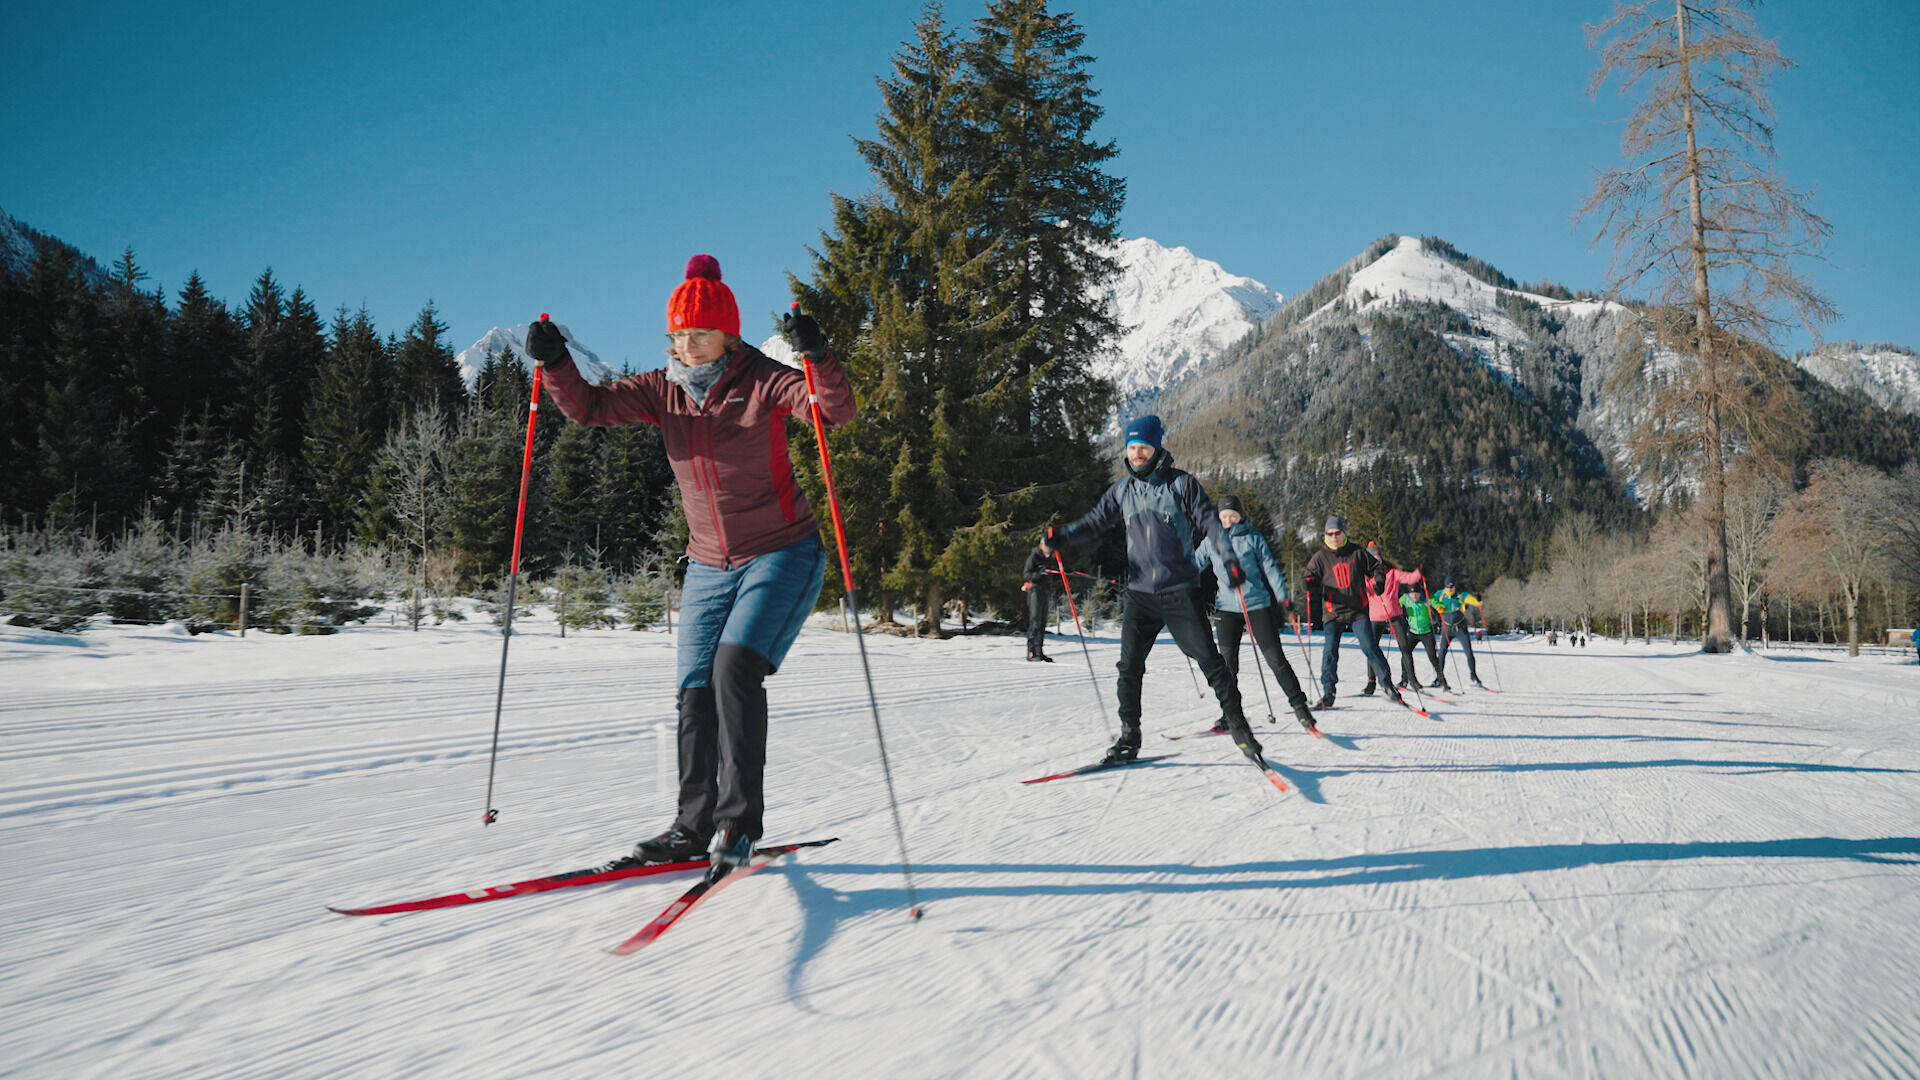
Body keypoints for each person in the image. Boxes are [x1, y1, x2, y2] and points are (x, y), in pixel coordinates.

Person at [528, 255, 856, 878]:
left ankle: (737, 825)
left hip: (782, 550)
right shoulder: (662, 389)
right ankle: (692, 826)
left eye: (701, 334)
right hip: (707, 562)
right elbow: (589, 407)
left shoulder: (763, 379)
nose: (688, 345)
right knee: (694, 691)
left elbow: (832, 410)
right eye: (678, 335)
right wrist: (556, 365)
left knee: (735, 670)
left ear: (728, 334)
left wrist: (818, 356)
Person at [1038, 415, 1262, 764]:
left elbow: (1210, 524)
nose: (1137, 453)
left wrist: (1229, 559)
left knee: (1210, 661)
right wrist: (1062, 537)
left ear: (1157, 447)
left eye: (1143, 446)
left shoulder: (1182, 485)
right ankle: (1130, 738)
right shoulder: (1122, 491)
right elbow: (1094, 523)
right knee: (1129, 666)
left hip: (1180, 592)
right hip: (1140, 594)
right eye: (1132, 447)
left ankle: (1239, 727)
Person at [1193, 495, 1317, 731]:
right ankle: (1229, 714)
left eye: (1233, 516)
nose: (1228, 520)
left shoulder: (1253, 538)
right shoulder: (1211, 541)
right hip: (1226, 609)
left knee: (1276, 660)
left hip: (1256, 606)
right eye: (1224, 516)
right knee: (1227, 666)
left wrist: (1283, 598)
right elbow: (1194, 565)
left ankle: (1300, 708)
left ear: (1240, 516)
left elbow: (1271, 569)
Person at [1303, 517, 1402, 708]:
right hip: (1333, 612)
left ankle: (1387, 685)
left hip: (1358, 611)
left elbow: (1376, 568)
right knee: (1330, 650)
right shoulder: (1320, 557)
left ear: (1344, 533)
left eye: (1337, 533)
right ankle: (1328, 692)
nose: (1334, 537)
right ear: (1325, 535)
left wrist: (1378, 581)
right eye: (1330, 534)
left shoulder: (1357, 552)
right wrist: (1307, 583)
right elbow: (1309, 575)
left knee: (1369, 646)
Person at [1360, 543, 1441, 695]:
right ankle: (1371, 682)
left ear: (1381, 557)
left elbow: (1409, 578)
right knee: (1371, 649)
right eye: (1372, 557)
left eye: (1377, 556)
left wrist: (1420, 571)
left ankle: (1412, 680)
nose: (1376, 560)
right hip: (1375, 618)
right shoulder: (1365, 576)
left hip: (1394, 616)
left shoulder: (1392, 573)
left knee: (1405, 648)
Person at [1432, 579, 1485, 688]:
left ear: (1455, 587)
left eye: (1451, 587)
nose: (1449, 589)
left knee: (1468, 652)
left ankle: (1473, 675)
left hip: (1460, 628)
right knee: (1441, 653)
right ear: (1444, 587)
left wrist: (1478, 600)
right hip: (1447, 629)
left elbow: (1473, 601)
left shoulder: (1461, 595)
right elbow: (1429, 600)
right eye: (1447, 587)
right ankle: (1439, 678)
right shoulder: (1439, 595)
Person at [1021, 545, 1055, 662]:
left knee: (1042, 622)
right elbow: (1026, 575)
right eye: (1048, 546)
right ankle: (1031, 652)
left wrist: (1062, 572)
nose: (1050, 549)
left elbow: (1051, 575)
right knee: (1035, 621)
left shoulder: (1049, 558)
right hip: (1035, 591)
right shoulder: (1034, 557)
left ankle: (1039, 651)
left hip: (1045, 592)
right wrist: (1039, 574)